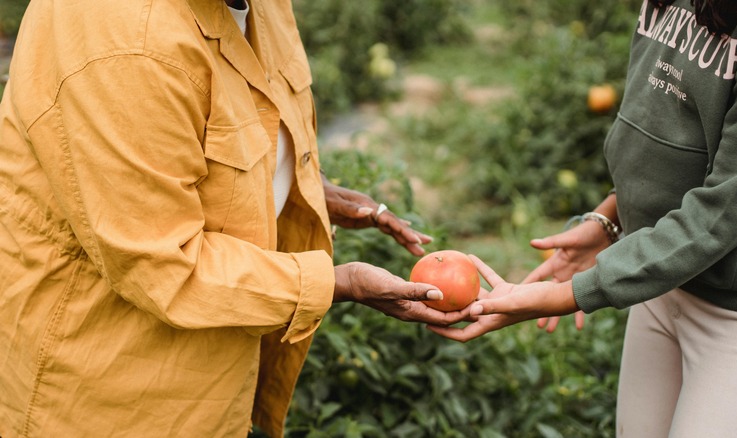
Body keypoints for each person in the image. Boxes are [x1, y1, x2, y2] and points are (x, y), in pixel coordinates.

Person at [0, 0, 468, 437]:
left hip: (212, 382)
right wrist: (339, 283)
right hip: (109, 390)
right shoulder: (125, 41)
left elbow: (226, 130)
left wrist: (301, 186)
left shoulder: (259, 7)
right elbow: (163, 262)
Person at [430, 0, 737, 436]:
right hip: (661, 279)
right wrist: (611, 217)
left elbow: (728, 207)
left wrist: (575, 293)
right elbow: (676, 129)